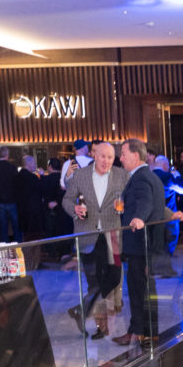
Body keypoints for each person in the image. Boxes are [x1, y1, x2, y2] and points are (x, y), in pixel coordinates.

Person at [63, 142, 128, 339]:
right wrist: (74, 209)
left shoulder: (122, 175)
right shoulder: (80, 175)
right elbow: (66, 200)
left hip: (113, 237)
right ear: (94, 155)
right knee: (94, 283)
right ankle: (102, 327)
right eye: (103, 156)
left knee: (114, 278)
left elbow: (134, 198)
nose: (106, 161)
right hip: (87, 237)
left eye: (110, 157)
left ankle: (80, 310)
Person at [112, 138, 167, 349]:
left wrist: (139, 218)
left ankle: (142, 333)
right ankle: (142, 333)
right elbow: (154, 205)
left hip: (140, 245)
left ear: (136, 155)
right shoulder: (151, 176)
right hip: (147, 246)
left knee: (138, 290)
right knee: (143, 290)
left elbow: (145, 203)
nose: (121, 158)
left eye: (124, 154)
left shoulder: (141, 178)